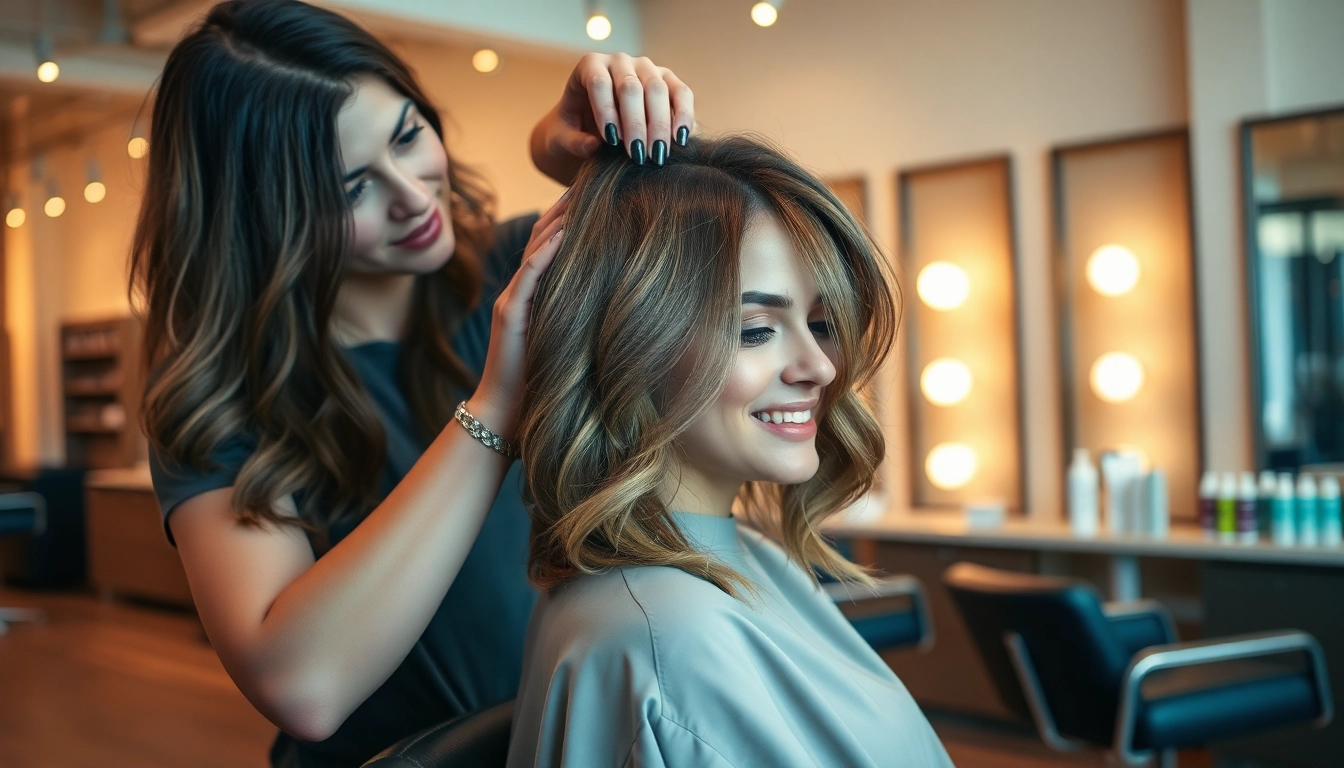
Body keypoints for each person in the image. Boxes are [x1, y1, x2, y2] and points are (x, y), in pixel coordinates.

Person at [129, 1, 695, 765]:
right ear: (264, 217)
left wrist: (574, 151)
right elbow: (301, 683)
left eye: (407, 135)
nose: (412, 195)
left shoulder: (507, 272)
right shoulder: (220, 393)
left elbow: (695, 249)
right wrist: (496, 403)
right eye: (351, 187)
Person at [508, 136, 955, 767]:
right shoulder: (672, 640)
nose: (819, 367)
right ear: (631, 346)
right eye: (755, 330)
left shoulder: (745, 559)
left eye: (820, 324)